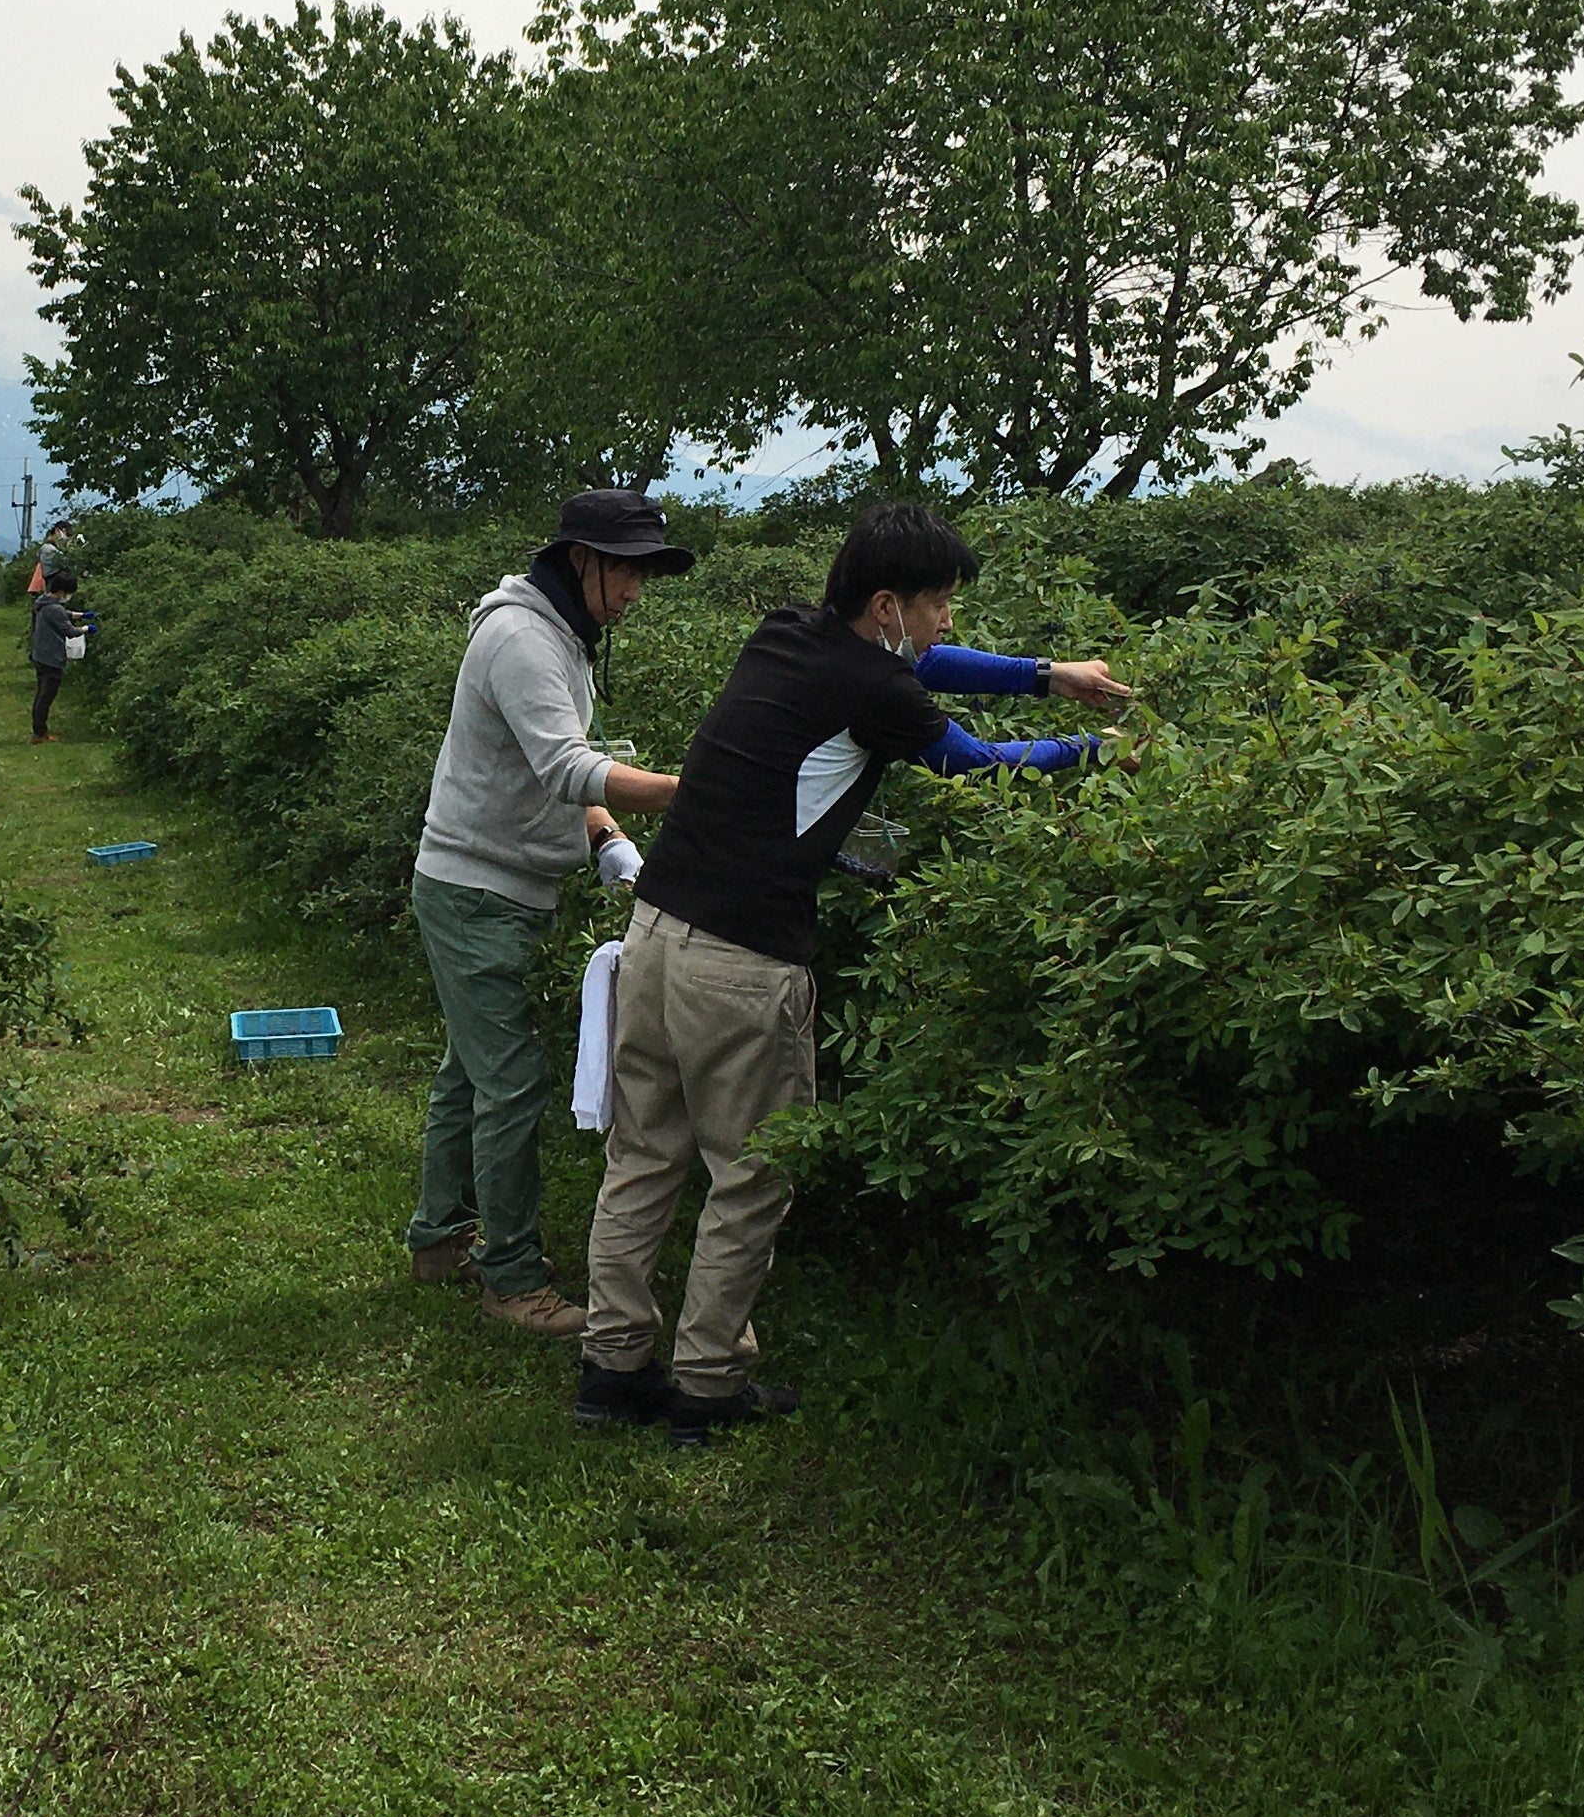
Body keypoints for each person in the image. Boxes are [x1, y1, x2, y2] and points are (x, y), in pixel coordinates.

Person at [577, 501, 1135, 1441]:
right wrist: (1096, 751)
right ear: (886, 607)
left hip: (656, 931)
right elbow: (978, 764)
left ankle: (611, 1370)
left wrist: (1047, 675)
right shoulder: (881, 692)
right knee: (752, 1175)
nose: (947, 620)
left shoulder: (788, 631)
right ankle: (705, 1388)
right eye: (937, 602)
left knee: (643, 1156)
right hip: (743, 963)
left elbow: (927, 666)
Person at [406, 488, 692, 1338]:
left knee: (470, 1071)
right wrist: (697, 792)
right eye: (627, 571)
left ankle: (439, 1237)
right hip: (477, 892)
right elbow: (569, 765)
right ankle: (512, 1280)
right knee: (510, 1081)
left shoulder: (559, 635)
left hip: (489, 885)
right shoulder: (524, 640)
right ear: (582, 560)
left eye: (645, 574)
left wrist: (605, 838)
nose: (634, 591)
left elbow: (561, 769)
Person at [28, 566, 89, 741]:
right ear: (62, 591)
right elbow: (69, 631)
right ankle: (39, 733)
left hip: (40, 655)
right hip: (51, 658)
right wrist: (86, 628)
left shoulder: (44, 602)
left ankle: (39, 730)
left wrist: (82, 615)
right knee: (46, 697)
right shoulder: (55, 609)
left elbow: (64, 615)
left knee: (41, 694)